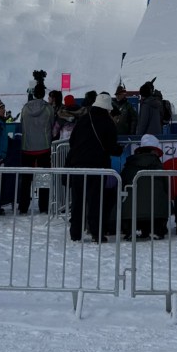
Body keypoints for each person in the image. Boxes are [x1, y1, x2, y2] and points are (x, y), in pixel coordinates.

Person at [66, 92, 118, 242]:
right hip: (97, 166)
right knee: (95, 200)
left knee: (77, 201)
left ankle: (75, 232)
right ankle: (96, 232)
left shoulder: (83, 119)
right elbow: (111, 147)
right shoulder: (107, 123)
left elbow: (72, 141)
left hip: (77, 165)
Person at [120, 134, 170, 239]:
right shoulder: (158, 165)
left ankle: (129, 230)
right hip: (156, 213)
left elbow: (121, 183)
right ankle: (156, 230)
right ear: (153, 151)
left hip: (131, 213)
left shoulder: (129, 164)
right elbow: (166, 187)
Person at [18, 80, 55, 215]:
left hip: (27, 147)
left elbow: (22, 123)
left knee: (26, 180)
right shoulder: (48, 108)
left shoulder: (25, 108)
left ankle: (23, 206)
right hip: (44, 147)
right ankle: (44, 206)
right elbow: (51, 125)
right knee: (44, 178)